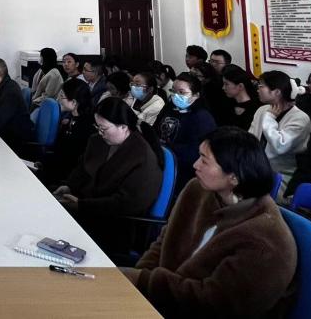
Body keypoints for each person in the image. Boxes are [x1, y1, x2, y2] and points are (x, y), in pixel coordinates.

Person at [122, 127, 297, 317]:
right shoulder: (198, 190)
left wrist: (142, 281)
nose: (195, 164)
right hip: (160, 300)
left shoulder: (266, 242)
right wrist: (134, 283)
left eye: (204, 160)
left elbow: (216, 303)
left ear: (234, 177)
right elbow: (163, 243)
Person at [53, 97, 164, 260]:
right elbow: (83, 168)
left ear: (124, 127)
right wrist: (70, 186)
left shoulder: (142, 156)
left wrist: (82, 205)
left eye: (104, 128)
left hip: (113, 223)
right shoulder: (98, 141)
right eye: (97, 126)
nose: (100, 132)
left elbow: (127, 203)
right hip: (86, 206)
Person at [248, 71, 310, 197]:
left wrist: (270, 119)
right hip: (255, 169)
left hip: (281, 177)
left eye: (261, 86)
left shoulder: (300, 118)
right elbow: (250, 140)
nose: (257, 90)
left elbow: (280, 146)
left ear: (276, 92)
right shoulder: (262, 110)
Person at [153, 72, 217, 187]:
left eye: (181, 92)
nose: (175, 95)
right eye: (173, 91)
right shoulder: (169, 107)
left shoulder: (202, 118)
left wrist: (165, 149)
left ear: (196, 95)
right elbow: (155, 129)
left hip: (182, 170)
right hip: (160, 160)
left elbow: (195, 152)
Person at [216, 65, 261, 130]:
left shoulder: (256, 109)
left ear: (240, 86)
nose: (223, 88)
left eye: (226, 84)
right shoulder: (225, 105)